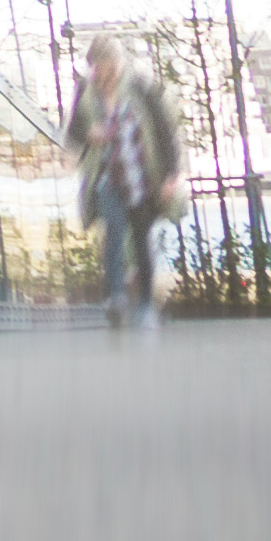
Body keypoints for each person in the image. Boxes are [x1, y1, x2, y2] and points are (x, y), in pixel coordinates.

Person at [72, 36, 185, 332]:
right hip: (108, 177)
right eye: (98, 68)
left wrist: (171, 176)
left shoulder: (140, 88)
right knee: (113, 233)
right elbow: (73, 132)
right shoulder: (86, 93)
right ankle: (117, 298)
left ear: (119, 63)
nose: (105, 74)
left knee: (140, 238)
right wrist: (89, 133)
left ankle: (146, 306)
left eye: (110, 66)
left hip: (142, 177)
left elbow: (165, 133)